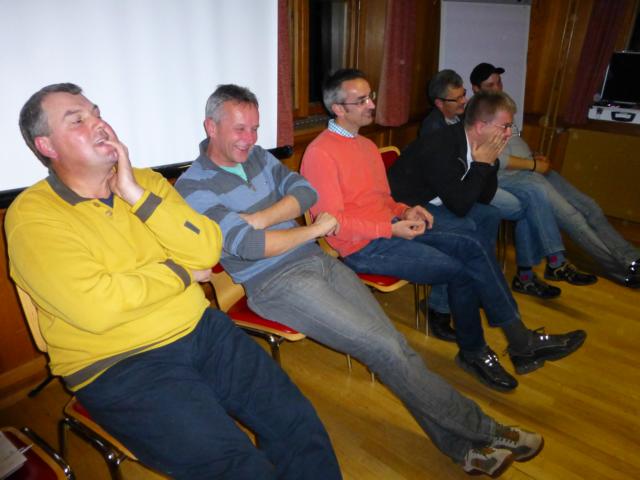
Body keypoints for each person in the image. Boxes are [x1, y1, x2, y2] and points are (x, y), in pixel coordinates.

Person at [176, 83, 544, 476]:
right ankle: (486, 430)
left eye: (255, 128)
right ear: (211, 127)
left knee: (394, 348)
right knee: (387, 349)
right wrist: (312, 230)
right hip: (275, 283)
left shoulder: (259, 156)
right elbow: (250, 246)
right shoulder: (192, 187)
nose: (250, 139)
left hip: (315, 261)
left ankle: (462, 449)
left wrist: (261, 218)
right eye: (240, 129)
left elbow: (303, 190)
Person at [6, 83, 341, 480]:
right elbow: (96, 308)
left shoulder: (145, 183)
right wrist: (180, 273)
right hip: (118, 364)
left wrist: (135, 195)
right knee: (236, 467)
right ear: (46, 145)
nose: (98, 124)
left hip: (200, 328)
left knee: (296, 421)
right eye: (77, 120)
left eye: (97, 112)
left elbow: (206, 250)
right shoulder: (33, 216)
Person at [301, 68, 586, 394]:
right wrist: (390, 228)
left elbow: (383, 199)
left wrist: (405, 210)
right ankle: (496, 348)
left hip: (391, 227)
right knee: (462, 266)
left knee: (471, 243)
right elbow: (332, 222)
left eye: (371, 96)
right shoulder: (321, 153)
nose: (371, 105)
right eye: (362, 100)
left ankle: (508, 344)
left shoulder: (365, 146)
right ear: (338, 108)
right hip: (362, 246)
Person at [414, 70, 596, 335]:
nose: (463, 102)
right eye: (456, 99)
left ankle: (498, 290)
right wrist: (484, 165)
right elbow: (458, 199)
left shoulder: (467, 123)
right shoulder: (437, 134)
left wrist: (488, 163)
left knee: (492, 212)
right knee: (469, 230)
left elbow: (481, 192)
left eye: (463, 95)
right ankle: (440, 307)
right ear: (440, 103)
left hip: (454, 194)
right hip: (421, 204)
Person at [470, 62, 640, 288]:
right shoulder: (478, 116)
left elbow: (513, 141)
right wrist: (532, 164)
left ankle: (632, 256)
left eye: (498, 82)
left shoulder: (502, 107)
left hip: (531, 167)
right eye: (490, 85)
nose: (497, 88)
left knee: (590, 207)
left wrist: (533, 154)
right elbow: (495, 159)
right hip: (515, 176)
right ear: (476, 89)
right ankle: (624, 268)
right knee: (573, 218)